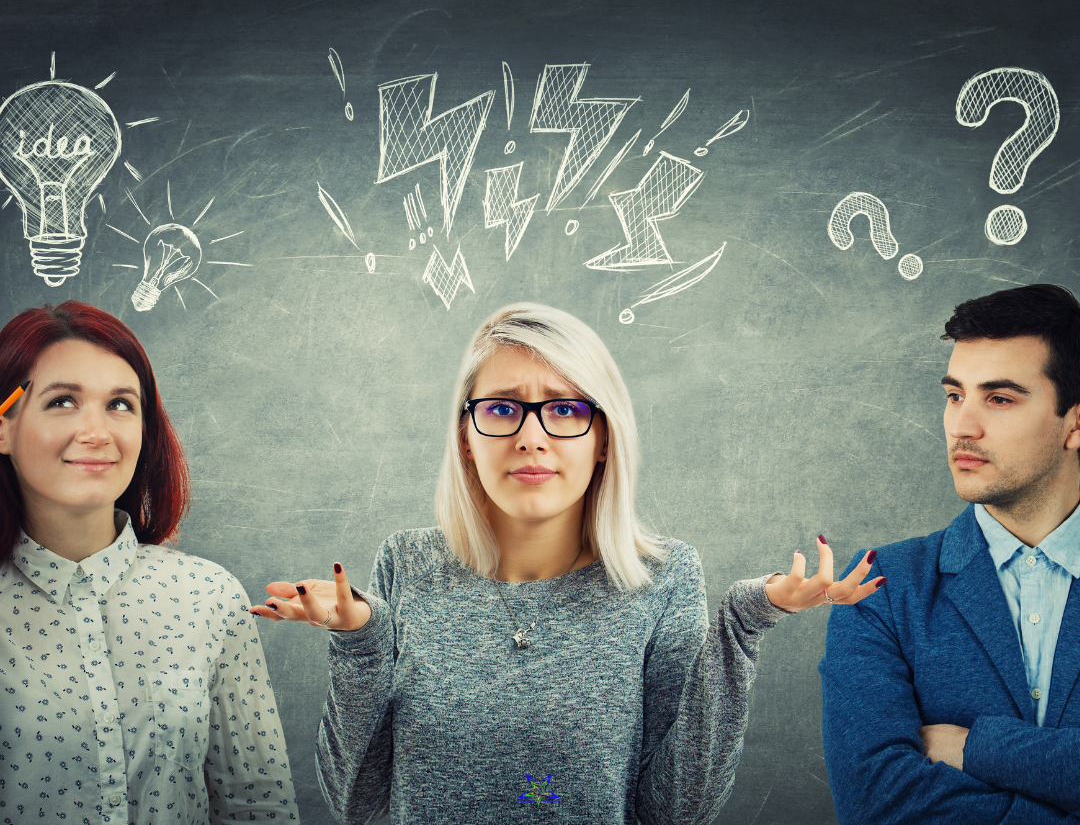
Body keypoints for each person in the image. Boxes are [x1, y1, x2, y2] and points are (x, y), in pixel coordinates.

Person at [253, 302, 882, 825]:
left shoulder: (663, 578)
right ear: (466, 437)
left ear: (604, 438)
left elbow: (673, 811)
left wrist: (744, 622)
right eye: (502, 409)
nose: (531, 437)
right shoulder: (407, 563)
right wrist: (361, 640)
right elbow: (357, 803)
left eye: (565, 409)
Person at [0, 300, 299, 825]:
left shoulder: (209, 596)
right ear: (3, 426)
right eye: (63, 401)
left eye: (120, 404)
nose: (97, 432)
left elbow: (258, 803)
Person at [820, 283, 1080, 823]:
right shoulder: (880, 588)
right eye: (955, 395)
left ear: (1074, 422)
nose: (961, 426)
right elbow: (878, 802)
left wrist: (979, 748)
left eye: (1000, 398)